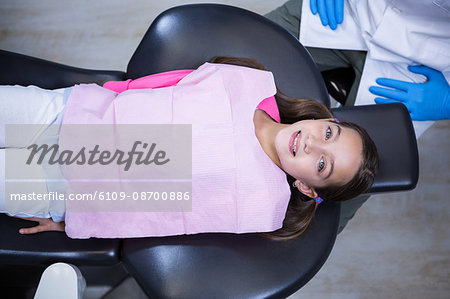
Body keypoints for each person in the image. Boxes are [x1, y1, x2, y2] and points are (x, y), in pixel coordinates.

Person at [0, 57, 379, 239]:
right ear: (326, 119)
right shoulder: (250, 81)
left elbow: (158, 218)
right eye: (328, 135)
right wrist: (98, 95)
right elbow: (159, 84)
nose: (312, 145)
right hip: (71, 112)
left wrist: (70, 221)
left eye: (323, 165)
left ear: (309, 189)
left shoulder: (257, 203)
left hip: (64, 186)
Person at [265, 0, 449, 233]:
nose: (310, 143)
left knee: (323, 219)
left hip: (422, 71)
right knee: (232, 48)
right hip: (350, 11)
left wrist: (447, 102)